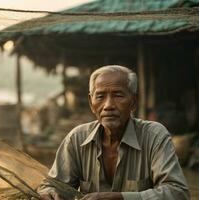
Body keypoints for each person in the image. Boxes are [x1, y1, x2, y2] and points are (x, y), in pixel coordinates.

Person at [38, 65, 190, 200]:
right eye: (100, 96)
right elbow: (52, 185)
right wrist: (50, 192)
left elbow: (178, 193)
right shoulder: (77, 138)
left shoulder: (154, 136)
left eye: (118, 95)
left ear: (134, 102)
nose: (108, 105)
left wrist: (121, 198)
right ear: (91, 103)